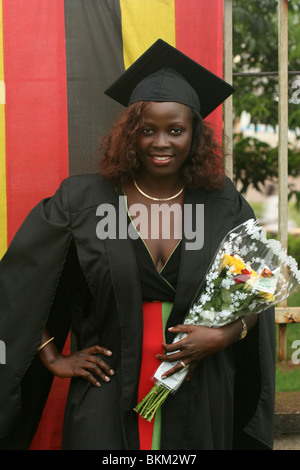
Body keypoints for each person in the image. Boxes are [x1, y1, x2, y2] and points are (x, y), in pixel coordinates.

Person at [0, 39, 275, 450]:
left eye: (175, 130)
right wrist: (51, 355)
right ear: (131, 133)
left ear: (196, 134)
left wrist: (224, 336)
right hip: (108, 389)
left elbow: (255, 291)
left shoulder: (223, 203)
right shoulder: (84, 201)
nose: (160, 143)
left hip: (201, 387)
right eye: (147, 130)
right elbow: (18, 282)